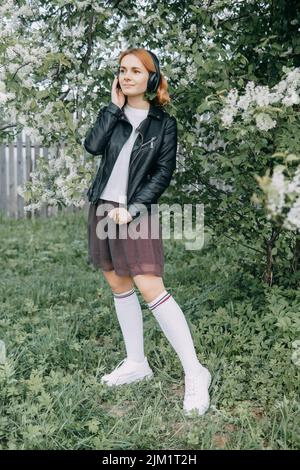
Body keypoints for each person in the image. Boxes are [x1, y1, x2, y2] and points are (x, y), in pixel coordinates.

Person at [84, 47, 212, 416]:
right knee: (117, 283)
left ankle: (195, 371)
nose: (126, 76)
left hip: (136, 211)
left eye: (135, 71)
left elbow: (162, 173)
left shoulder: (163, 124)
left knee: (150, 285)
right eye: (122, 70)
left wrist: (135, 208)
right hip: (102, 207)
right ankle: (136, 362)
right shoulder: (112, 115)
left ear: (151, 79)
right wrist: (112, 107)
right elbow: (92, 146)